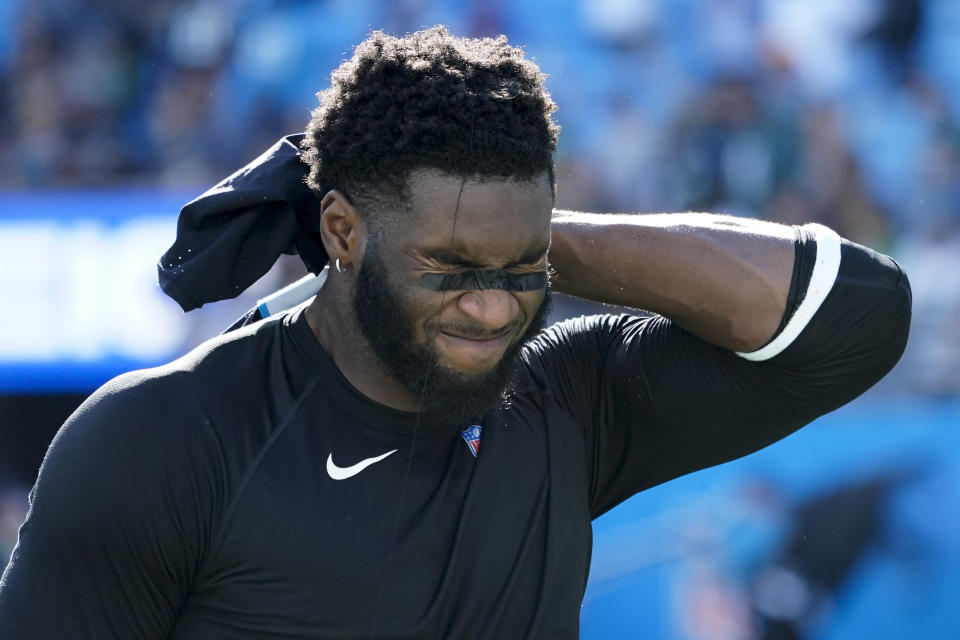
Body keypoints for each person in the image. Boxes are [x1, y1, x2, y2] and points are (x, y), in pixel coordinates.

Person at [0, 26, 910, 639]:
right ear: (342, 232)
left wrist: (520, 237)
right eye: (449, 266)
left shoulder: (563, 399)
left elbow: (859, 315)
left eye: (522, 268)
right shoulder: (159, 438)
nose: (490, 306)